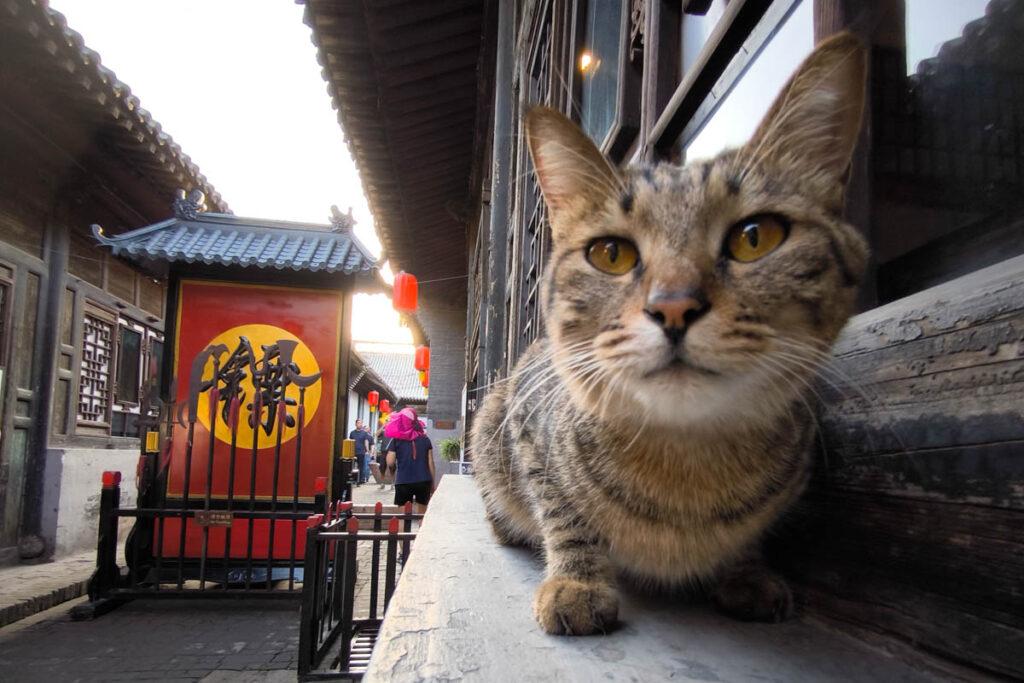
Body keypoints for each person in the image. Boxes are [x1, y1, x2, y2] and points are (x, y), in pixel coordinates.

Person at [384, 407, 434, 513]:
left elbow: (390, 462)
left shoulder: (396, 440)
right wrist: (432, 483)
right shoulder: (425, 439)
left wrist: (393, 472)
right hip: (423, 480)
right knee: (422, 515)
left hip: (403, 480)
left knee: (403, 516)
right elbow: (431, 463)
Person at [348, 418, 373, 485]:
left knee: (361, 467)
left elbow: (366, 442)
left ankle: (359, 480)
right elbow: (350, 442)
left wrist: (368, 451)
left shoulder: (364, 433)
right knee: (352, 466)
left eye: (361, 423)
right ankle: (353, 480)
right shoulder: (352, 433)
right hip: (353, 452)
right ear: (356, 424)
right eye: (358, 423)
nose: (359, 424)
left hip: (361, 452)